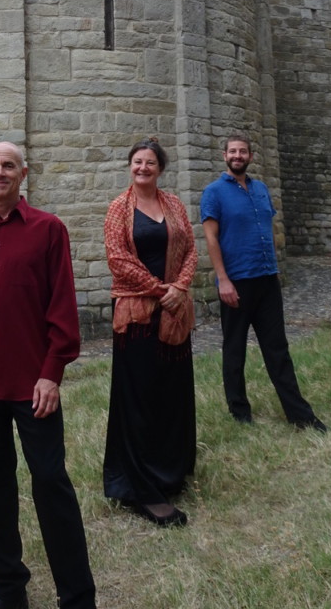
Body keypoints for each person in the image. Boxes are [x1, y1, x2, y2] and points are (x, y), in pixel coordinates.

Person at [0, 141, 96, 609]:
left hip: (34, 385)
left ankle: (78, 594)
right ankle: (8, 589)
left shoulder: (49, 231)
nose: (0, 172)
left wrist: (52, 374)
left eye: (9, 165)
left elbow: (62, 308)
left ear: (23, 174)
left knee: (50, 482)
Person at [200, 132, 328, 431]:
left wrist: (274, 266)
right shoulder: (214, 192)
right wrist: (223, 281)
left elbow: (267, 230)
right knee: (235, 351)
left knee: (278, 349)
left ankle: (301, 416)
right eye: (232, 151)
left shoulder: (261, 190)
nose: (238, 156)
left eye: (243, 151)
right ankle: (240, 413)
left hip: (266, 280)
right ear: (225, 156)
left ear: (250, 157)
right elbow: (211, 239)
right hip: (236, 282)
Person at [102, 137, 197, 527]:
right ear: (130, 166)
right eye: (137, 162)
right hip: (137, 314)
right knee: (138, 398)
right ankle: (139, 484)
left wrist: (180, 288)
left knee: (171, 393)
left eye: (150, 163)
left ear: (160, 168)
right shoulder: (118, 209)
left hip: (175, 312)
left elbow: (190, 249)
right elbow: (117, 259)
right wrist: (161, 291)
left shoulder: (173, 204)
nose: (143, 168)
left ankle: (170, 473)